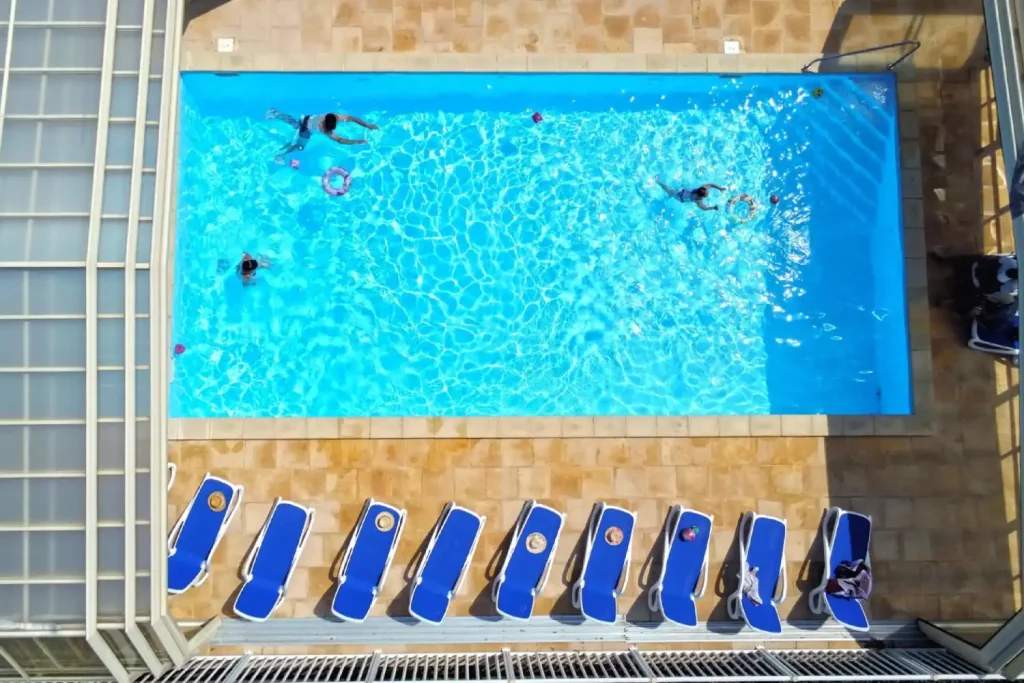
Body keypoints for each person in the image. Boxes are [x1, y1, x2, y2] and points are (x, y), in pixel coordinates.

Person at [266, 109, 378, 161]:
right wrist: (357, 142)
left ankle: (276, 114)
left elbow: (353, 118)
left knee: (295, 123)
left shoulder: (334, 116)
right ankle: (281, 154)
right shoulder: (325, 129)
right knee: (299, 147)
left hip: (307, 118)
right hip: (306, 129)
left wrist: (367, 125)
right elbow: (340, 140)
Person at [656, 176, 726, 211]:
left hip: (683, 190)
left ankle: (664, 187)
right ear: (701, 196)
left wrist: (720, 188)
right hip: (680, 196)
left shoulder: (703, 188)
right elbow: (704, 208)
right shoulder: (698, 200)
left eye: (707, 192)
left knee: (672, 190)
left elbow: (711, 185)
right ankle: (659, 183)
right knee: (669, 191)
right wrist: (713, 207)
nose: (708, 193)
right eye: (706, 194)